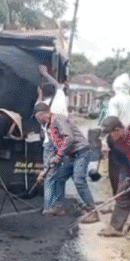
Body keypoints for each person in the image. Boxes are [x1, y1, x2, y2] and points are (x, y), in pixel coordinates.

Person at [34, 102, 99, 222]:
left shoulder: (58, 119)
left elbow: (69, 138)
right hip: (71, 155)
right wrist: (47, 169)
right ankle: (59, 207)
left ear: (43, 114)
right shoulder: (49, 125)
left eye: (38, 117)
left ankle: (92, 211)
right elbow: (58, 145)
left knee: (79, 180)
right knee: (59, 178)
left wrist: (58, 157)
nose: (38, 121)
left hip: (81, 152)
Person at [37, 65, 69, 216]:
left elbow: (57, 86)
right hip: (60, 140)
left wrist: (44, 74)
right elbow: (58, 86)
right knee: (58, 175)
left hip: (51, 141)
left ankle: (48, 207)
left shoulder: (56, 103)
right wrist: (45, 75)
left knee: (50, 175)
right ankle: (57, 205)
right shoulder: (58, 102)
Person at [105, 73, 130, 196]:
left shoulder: (114, 100)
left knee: (115, 169)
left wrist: (105, 140)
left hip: (117, 136)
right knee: (127, 167)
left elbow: (112, 121)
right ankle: (126, 194)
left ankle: (117, 196)